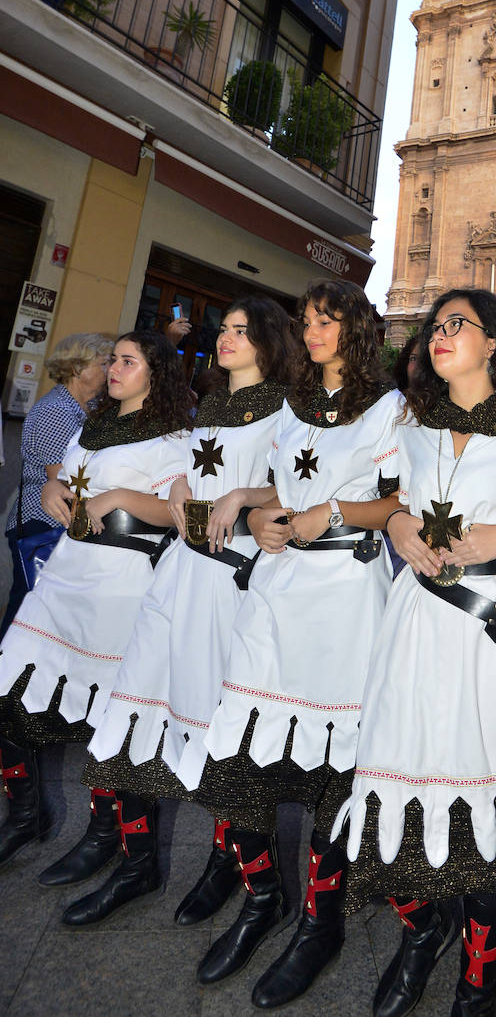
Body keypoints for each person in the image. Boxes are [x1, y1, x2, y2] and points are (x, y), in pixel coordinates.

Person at [338, 288, 496, 1017]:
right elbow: (386, 502)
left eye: (456, 325)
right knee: (400, 768)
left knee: (490, 786)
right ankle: (423, 931)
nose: (439, 335)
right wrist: (398, 521)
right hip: (414, 621)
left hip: (493, 622)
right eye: (435, 326)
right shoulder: (411, 423)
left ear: (493, 341)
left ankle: (480, 977)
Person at [190, 279, 400, 1003]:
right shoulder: (292, 406)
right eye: (307, 320)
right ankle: (260, 898)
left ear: (357, 330)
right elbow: (279, 490)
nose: (312, 331)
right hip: (276, 590)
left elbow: (400, 500)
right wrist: (260, 517)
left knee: (333, 775)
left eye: (327, 320)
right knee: (237, 755)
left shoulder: (390, 408)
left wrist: (334, 511)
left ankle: (320, 921)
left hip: (345, 595)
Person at [74, 298, 296, 926]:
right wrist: (178, 485)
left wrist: (244, 495)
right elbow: (190, 474)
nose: (226, 338)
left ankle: (247, 876)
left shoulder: (286, 410)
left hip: (232, 580)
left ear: (268, 341)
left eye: (241, 331)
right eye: (224, 329)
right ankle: (137, 862)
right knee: (137, 706)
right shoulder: (209, 403)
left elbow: (300, 486)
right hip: (179, 570)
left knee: (220, 726)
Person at [0, 331, 191, 872]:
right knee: (9, 692)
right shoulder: (91, 425)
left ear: (155, 373)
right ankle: (25, 814)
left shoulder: (175, 437)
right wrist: (50, 489)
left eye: (128, 361)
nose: (114, 368)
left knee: (107, 720)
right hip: (64, 578)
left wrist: (119, 498)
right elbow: (62, 477)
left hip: (120, 584)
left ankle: (109, 837)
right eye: (114, 360)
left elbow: (178, 512)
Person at [2, 332, 113, 638]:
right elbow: (62, 479)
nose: (110, 370)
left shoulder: (84, 408)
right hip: (43, 523)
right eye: (104, 363)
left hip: (58, 522)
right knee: (26, 615)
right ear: (77, 368)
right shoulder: (56, 410)